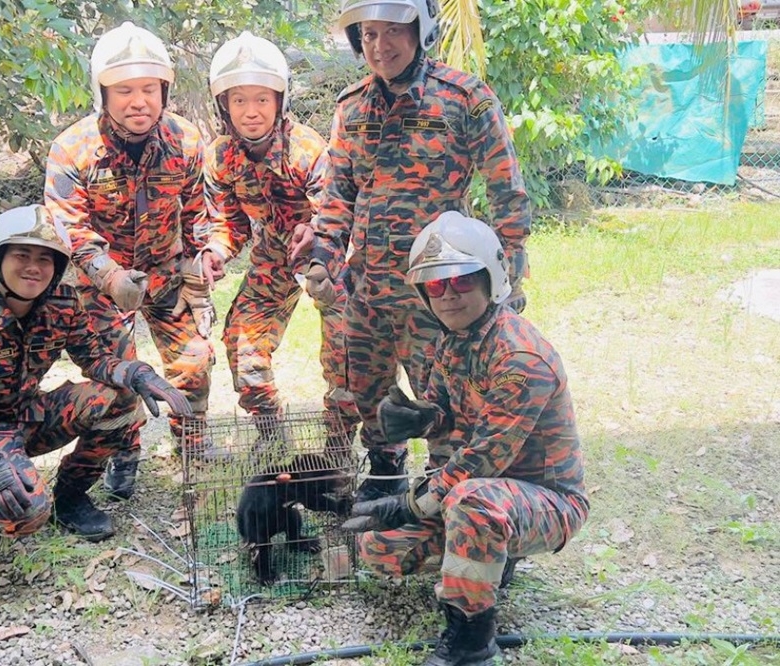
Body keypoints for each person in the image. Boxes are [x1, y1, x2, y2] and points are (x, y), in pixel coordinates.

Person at [305, 0, 532, 501]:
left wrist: (509, 274)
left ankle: (445, 487)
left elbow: (506, 191)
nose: (379, 47)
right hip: (366, 288)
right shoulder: (352, 106)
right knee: (366, 387)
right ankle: (385, 473)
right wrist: (323, 256)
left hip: (440, 290)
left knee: (445, 396)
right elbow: (339, 192)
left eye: (392, 32)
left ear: (420, 31)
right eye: (367, 35)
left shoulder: (464, 98)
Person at [342, 212, 588, 666]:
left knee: (473, 501)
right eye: (435, 286)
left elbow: (483, 459)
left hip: (546, 501)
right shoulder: (453, 339)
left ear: (488, 280)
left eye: (460, 281)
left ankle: (471, 641)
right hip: (482, 494)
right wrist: (420, 418)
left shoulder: (519, 356)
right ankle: (493, 559)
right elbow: (446, 413)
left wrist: (408, 502)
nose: (448, 295)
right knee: (379, 551)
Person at [0, 206, 192, 547]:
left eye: (46, 259)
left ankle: (70, 498)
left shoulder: (62, 303)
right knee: (23, 515)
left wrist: (138, 374)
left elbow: (95, 358)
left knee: (121, 399)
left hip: (27, 416)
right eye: (21, 254)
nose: (33, 268)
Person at [44, 22, 222, 497]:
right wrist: (108, 274)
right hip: (101, 285)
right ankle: (126, 450)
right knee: (120, 375)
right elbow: (68, 227)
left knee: (196, 360)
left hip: (166, 277)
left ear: (164, 90)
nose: (138, 100)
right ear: (102, 92)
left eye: (149, 89)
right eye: (124, 90)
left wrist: (201, 265)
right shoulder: (73, 148)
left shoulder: (185, 140)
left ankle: (194, 442)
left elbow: (199, 212)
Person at [200, 31, 359, 446]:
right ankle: (270, 433)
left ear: (279, 101)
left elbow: (338, 210)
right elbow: (227, 223)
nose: (251, 112)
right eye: (239, 100)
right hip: (273, 253)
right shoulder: (219, 157)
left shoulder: (305, 149)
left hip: (327, 253)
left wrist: (317, 232)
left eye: (262, 99)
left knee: (348, 351)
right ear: (224, 105)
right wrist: (216, 250)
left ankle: (339, 446)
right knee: (242, 342)